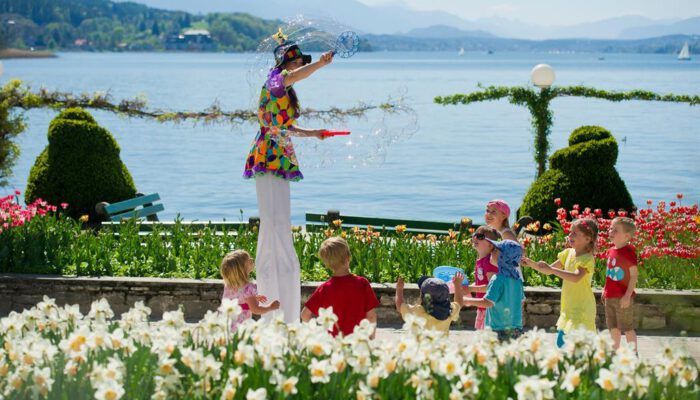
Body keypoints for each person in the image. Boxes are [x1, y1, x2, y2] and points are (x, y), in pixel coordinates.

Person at [242, 29, 334, 323]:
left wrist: (313, 133)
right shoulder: (274, 79)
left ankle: (283, 295)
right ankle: (273, 296)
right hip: (268, 155)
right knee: (273, 222)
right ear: (287, 64)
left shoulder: (283, 86)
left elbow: (286, 127)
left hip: (279, 154)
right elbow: (291, 79)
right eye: (296, 63)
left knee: (281, 221)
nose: (297, 68)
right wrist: (319, 65)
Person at [522, 218, 599, 347]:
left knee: (577, 346)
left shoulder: (587, 259)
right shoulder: (567, 253)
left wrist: (551, 270)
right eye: (570, 232)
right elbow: (548, 271)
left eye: (575, 233)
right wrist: (531, 263)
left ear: (588, 239)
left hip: (582, 308)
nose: (570, 235)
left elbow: (576, 277)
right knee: (562, 344)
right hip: (568, 307)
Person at [301, 237, 379, 337]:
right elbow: (371, 316)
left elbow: (304, 315)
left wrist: (317, 335)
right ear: (348, 257)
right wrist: (371, 338)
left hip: (334, 346)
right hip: (357, 342)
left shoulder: (324, 289)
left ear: (327, 264)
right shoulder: (362, 284)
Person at [463, 239, 525, 341]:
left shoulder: (497, 279)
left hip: (498, 331)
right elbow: (521, 301)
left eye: (495, 251)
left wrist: (466, 300)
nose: (492, 252)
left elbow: (488, 302)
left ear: (503, 258)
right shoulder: (517, 279)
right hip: (517, 329)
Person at [603, 217, 639, 352]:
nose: (611, 231)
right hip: (610, 296)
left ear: (626, 236)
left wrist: (628, 296)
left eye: (615, 230)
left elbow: (634, 275)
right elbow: (609, 274)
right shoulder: (612, 250)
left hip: (623, 298)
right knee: (613, 327)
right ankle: (615, 351)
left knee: (627, 328)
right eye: (611, 228)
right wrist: (604, 290)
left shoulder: (628, 252)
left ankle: (633, 353)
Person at [220, 250, 280, 330]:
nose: (252, 260)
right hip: (240, 328)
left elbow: (239, 299)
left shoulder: (228, 286)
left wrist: (254, 297)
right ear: (242, 269)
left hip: (225, 324)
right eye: (249, 260)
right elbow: (255, 309)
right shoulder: (248, 289)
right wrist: (270, 307)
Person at [395, 273, 464, 333]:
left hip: (422, 347)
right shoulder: (449, 310)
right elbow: (459, 303)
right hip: (442, 347)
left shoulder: (418, 311)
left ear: (422, 296)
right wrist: (457, 285)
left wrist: (399, 288)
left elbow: (400, 306)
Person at [465, 226, 500, 330]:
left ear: (490, 244)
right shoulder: (481, 260)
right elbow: (481, 281)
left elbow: (491, 287)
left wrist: (470, 289)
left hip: (490, 308)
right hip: (483, 306)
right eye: (474, 235)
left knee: (486, 335)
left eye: (480, 236)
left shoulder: (489, 262)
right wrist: (467, 286)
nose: (475, 238)